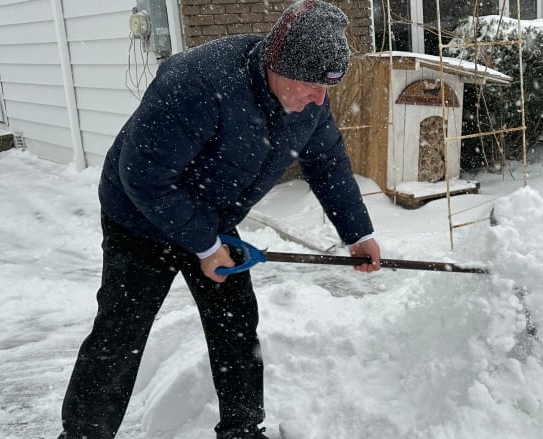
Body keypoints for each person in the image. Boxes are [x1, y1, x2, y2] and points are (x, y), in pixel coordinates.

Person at [57, 1, 381, 438]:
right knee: (121, 331)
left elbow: (326, 162)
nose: (320, 100)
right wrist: (206, 248)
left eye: (328, 88)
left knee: (235, 324)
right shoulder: (198, 83)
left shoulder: (309, 101)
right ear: (279, 65)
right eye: (310, 85)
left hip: (210, 213)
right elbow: (144, 177)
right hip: (138, 216)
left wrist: (357, 232)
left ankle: (242, 431)